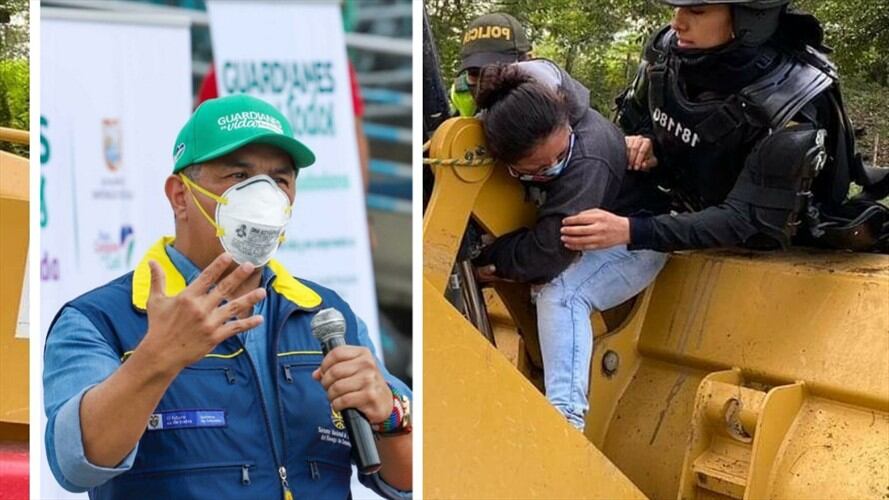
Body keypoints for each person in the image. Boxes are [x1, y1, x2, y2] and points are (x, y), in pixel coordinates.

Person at [43, 95, 412, 499]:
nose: (265, 195)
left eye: (280, 180)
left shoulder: (326, 317)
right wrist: (155, 361)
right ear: (179, 196)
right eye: (239, 177)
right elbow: (74, 464)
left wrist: (388, 415)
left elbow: (411, 482)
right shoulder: (100, 319)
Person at [561, 0, 889, 253]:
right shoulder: (666, 54)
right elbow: (631, 122)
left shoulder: (792, 99)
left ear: (750, 19)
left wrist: (632, 231)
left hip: (767, 250)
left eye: (698, 11)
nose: (678, 23)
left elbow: (745, 221)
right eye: (677, 9)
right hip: (677, 209)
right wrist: (644, 141)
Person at [471, 62, 667, 430]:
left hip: (638, 242)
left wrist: (488, 257)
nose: (554, 166)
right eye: (538, 166)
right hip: (578, 236)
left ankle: (564, 421)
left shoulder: (589, 157)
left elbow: (550, 254)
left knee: (561, 293)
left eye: (560, 155)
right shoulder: (513, 127)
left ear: (566, 121)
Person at [450, 12, 532, 117]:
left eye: (498, 71)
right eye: (474, 74)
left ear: (528, 61)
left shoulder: (553, 103)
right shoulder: (461, 95)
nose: (486, 80)